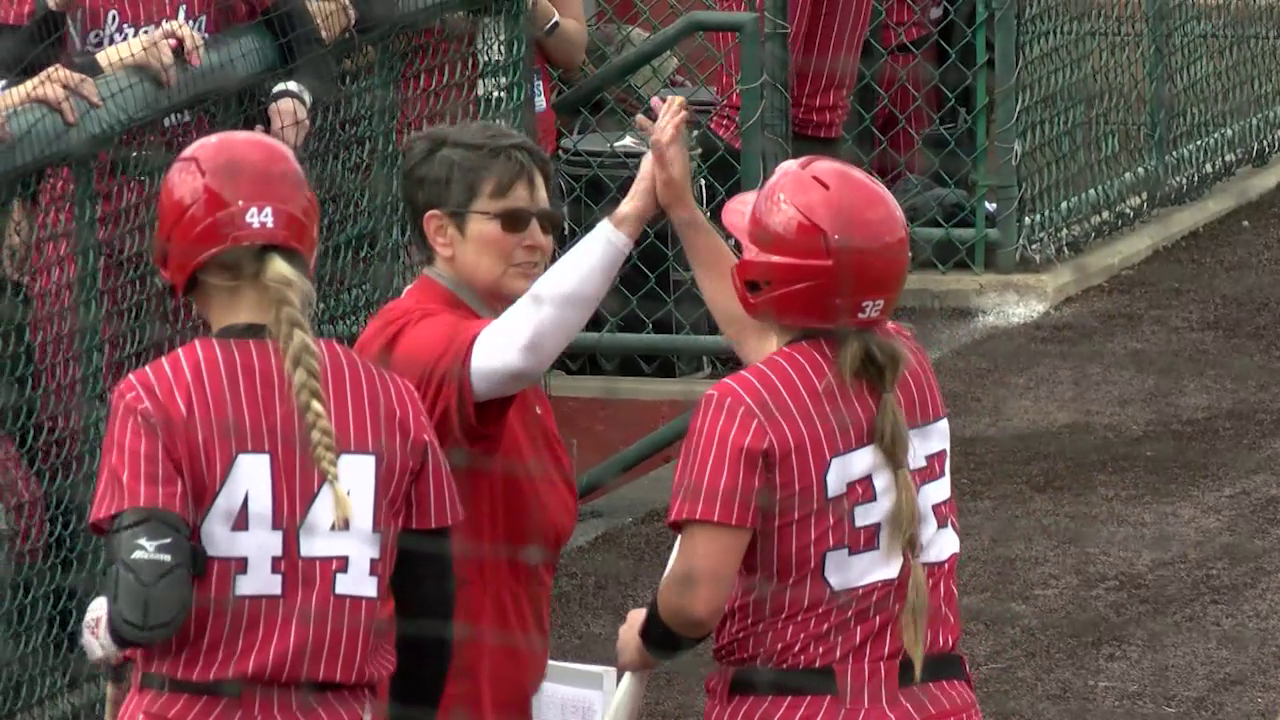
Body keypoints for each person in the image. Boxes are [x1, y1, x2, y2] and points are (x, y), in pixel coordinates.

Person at [613, 97, 982, 720]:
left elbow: (696, 602)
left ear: (766, 280)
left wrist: (650, 637)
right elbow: (777, 344)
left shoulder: (742, 407)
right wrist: (682, 209)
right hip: (935, 701)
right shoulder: (907, 365)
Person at [76, 130, 463, 720]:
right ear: (306, 246)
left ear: (176, 255)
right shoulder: (392, 399)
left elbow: (149, 601)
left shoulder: (153, 395)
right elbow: (431, 611)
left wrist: (107, 631)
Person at [354, 109, 677, 719]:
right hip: (426, 699)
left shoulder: (488, 335)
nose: (538, 238)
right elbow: (522, 351)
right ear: (441, 233)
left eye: (545, 219)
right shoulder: (410, 340)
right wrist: (634, 211)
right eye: (510, 219)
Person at [698, 0, 872, 220]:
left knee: (749, 98)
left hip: (743, 151)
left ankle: (736, 220)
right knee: (817, 107)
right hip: (815, 145)